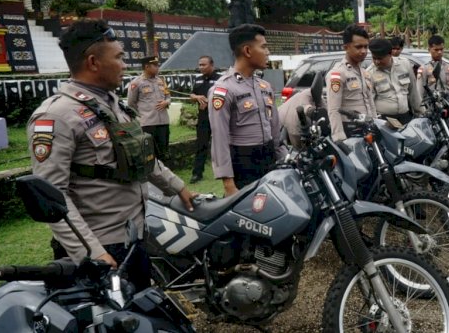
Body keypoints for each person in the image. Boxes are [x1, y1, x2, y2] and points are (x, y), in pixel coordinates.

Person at [27, 19, 197, 292]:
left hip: (134, 237)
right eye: (118, 57)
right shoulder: (56, 116)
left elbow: (140, 157)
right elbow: (53, 198)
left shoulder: (112, 105)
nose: (125, 65)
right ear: (93, 62)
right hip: (99, 249)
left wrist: (177, 187)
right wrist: (90, 253)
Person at [209, 24, 286, 197]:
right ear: (247, 51)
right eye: (263, 46)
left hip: (270, 162)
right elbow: (219, 138)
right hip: (244, 166)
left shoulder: (264, 86)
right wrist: (228, 183)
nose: (268, 52)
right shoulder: (224, 89)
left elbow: (275, 131)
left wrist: (285, 160)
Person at [326, 24, 377, 141]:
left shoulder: (365, 73)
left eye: (366, 47)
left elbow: (370, 103)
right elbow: (333, 109)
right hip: (350, 131)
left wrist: (376, 124)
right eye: (358, 47)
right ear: (346, 47)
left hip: (368, 129)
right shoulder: (337, 74)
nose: (364, 51)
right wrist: (339, 138)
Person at [366, 38, 422, 125]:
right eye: (374, 58)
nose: (377, 62)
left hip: (405, 117)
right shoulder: (369, 73)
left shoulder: (404, 64)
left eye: (380, 58)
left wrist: (420, 112)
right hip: (385, 121)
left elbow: (413, 91)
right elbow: (369, 103)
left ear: (390, 54)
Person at [127, 56, 171, 160]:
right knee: (149, 154)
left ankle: (163, 174)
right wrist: (142, 116)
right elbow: (131, 103)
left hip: (163, 122)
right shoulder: (136, 83)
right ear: (147, 67)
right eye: (155, 65)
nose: (158, 68)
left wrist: (166, 102)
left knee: (163, 152)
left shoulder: (161, 81)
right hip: (148, 124)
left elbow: (168, 96)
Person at [188, 55, 221, 183]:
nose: (200, 67)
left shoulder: (220, 79)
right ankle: (197, 173)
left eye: (203, 65)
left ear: (211, 65)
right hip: (203, 118)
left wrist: (210, 101)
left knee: (221, 145)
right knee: (201, 145)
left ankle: (224, 171)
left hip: (218, 117)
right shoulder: (198, 80)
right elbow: (192, 94)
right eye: (199, 65)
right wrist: (196, 97)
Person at [421, 35, 449, 99]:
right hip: (432, 106)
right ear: (429, 50)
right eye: (436, 50)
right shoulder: (424, 69)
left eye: (441, 49)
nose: (439, 52)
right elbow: (419, 94)